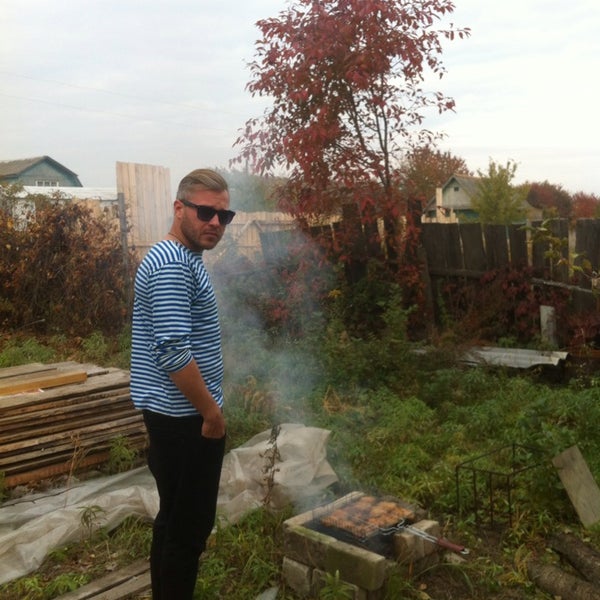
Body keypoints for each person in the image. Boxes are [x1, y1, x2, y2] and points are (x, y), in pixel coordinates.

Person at [130, 168, 235, 599]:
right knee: (189, 529)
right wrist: (211, 413)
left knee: (173, 520)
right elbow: (173, 351)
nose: (215, 222)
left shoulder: (179, 257)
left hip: (172, 415)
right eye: (205, 212)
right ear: (179, 208)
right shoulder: (173, 264)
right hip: (185, 419)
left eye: (224, 215)